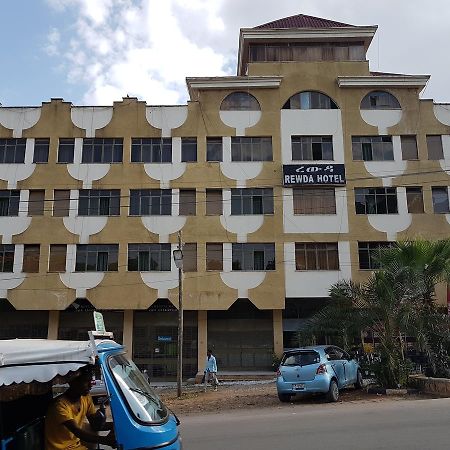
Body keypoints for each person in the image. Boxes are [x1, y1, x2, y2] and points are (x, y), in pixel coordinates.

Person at [45, 365, 116, 449]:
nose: (90, 385)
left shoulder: (85, 398)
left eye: (90, 380)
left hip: (76, 447)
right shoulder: (59, 406)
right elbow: (78, 432)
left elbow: (95, 426)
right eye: (86, 381)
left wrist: (115, 426)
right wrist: (106, 440)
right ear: (72, 382)